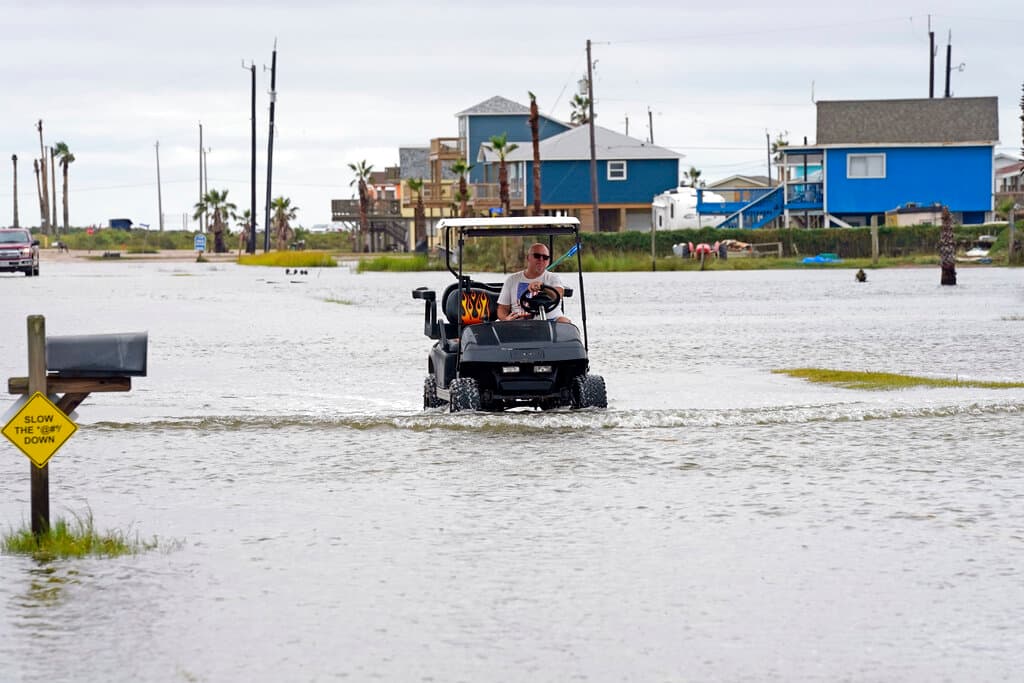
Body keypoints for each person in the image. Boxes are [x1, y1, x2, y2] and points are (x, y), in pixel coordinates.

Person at [497, 242, 570, 323]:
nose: (541, 259)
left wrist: (543, 287)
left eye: (545, 257)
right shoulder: (512, 279)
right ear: (528, 258)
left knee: (564, 321)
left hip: (551, 322)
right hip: (520, 323)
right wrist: (506, 319)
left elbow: (558, 294)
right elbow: (502, 308)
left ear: (548, 261)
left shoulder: (553, 278)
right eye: (537, 256)